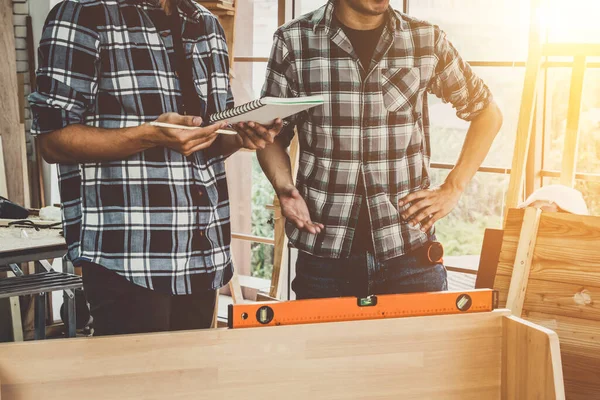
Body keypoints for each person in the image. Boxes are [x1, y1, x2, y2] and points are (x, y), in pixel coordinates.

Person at [29, 0, 281, 335]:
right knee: (138, 387)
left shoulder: (205, 22)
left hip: (204, 254)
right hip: (126, 258)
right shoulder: (81, 14)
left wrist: (243, 135)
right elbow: (52, 141)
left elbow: (210, 136)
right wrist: (151, 135)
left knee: (193, 384)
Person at [252, 0, 503, 299]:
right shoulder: (294, 41)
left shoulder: (426, 40)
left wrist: (454, 187)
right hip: (324, 259)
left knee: (418, 348)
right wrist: (284, 188)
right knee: (329, 349)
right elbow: (269, 135)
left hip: (411, 255)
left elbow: (487, 112)